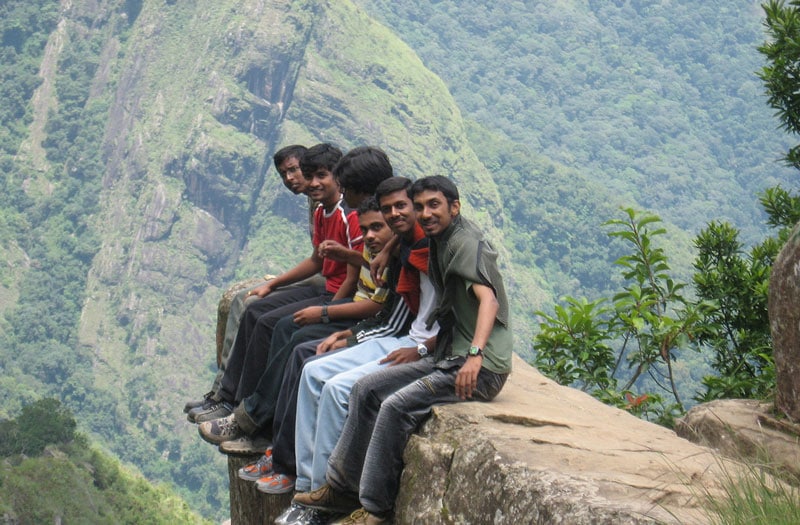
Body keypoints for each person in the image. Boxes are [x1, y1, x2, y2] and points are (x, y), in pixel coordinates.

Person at [293, 175, 513, 525]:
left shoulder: (463, 244)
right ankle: (339, 488)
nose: (426, 213)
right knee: (366, 388)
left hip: (478, 368)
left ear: (454, 207)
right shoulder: (440, 237)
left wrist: (475, 355)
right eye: (421, 206)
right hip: (445, 352)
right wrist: (390, 246)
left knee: (395, 407)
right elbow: (406, 231)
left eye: (434, 205)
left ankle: (374, 510)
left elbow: (488, 299)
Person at [272, 177, 438, 524]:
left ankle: (325, 496)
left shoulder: (445, 248)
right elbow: (392, 308)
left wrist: (420, 349)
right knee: (313, 370)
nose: (395, 217)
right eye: (387, 212)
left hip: (415, 344)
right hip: (401, 335)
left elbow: (462, 315)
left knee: (337, 389)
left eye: (402, 208)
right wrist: (389, 248)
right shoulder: (406, 244)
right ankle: (306, 488)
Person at [192, 143, 361, 426]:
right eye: (290, 174)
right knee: (254, 311)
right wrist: (273, 284)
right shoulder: (322, 212)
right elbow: (317, 261)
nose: (306, 181)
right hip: (326, 287)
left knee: (276, 324)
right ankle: (229, 398)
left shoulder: (349, 216)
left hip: (336, 295)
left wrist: (327, 312)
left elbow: (352, 277)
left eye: (318, 175)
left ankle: (243, 409)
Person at [184, 144, 317, 421]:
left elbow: (324, 262)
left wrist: (277, 283)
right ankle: (221, 393)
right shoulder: (316, 201)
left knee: (254, 305)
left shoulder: (327, 201)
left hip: (330, 281)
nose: (290, 178)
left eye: (294, 170)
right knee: (240, 300)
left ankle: (231, 399)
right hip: (325, 274)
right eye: (284, 174)